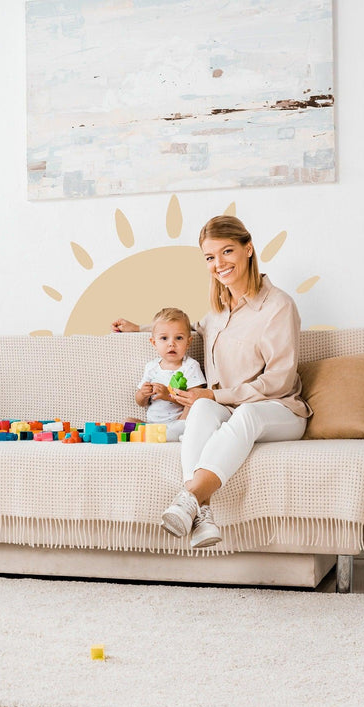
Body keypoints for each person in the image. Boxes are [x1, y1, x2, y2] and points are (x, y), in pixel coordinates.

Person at [112, 215, 311, 549]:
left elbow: (279, 381)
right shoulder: (219, 310)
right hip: (230, 408)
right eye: (210, 257)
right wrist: (143, 329)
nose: (219, 263)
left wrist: (218, 396)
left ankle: (189, 499)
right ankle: (202, 516)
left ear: (248, 249)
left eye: (227, 251)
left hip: (280, 410)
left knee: (242, 412)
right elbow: (190, 330)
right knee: (201, 407)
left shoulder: (278, 307)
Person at [134, 307, 206, 441]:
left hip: (178, 422)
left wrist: (168, 396)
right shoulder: (151, 368)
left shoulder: (190, 366)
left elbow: (195, 400)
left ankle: (175, 434)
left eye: (179, 338)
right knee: (128, 422)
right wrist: (142, 394)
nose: (171, 344)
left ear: (188, 342)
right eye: (164, 338)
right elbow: (140, 402)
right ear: (154, 343)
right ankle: (158, 434)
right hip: (153, 424)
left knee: (194, 406)